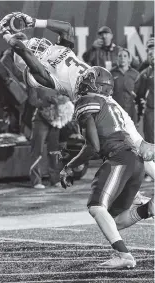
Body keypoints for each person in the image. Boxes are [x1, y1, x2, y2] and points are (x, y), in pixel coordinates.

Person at [0, 12, 155, 189]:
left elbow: (66, 28)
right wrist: (5, 33)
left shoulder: (55, 50)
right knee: (114, 147)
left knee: (141, 145)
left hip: (104, 95)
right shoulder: (40, 75)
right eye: (32, 46)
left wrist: (35, 21)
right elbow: (21, 49)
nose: (35, 43)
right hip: (90, 104)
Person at [60, 66, 154, 269]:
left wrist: (69, 166)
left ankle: (124, 256)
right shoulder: (110, 106)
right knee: (115, 221)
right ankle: (147, 209)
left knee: (96, 207)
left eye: (89, 78)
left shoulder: (87, 101)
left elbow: (93, 146)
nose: (84, 81)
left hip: (118, 158)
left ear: (98, 85)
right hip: (134, 161)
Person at [135, 37, 154, 182]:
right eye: (150, 53)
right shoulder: (145, 73)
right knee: (150, 140)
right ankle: (151, 171)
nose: (152, 55)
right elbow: (137, 91)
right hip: (150, 111)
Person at [111, 48, 139, 124]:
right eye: (120, 56)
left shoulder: (135, 74)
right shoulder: (111, 73)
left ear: (129, 59)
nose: (122, 58)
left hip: (131, 111)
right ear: (117, 58)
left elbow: (138, 94)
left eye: (125, 56)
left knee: (131, 134)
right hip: (115, 111)